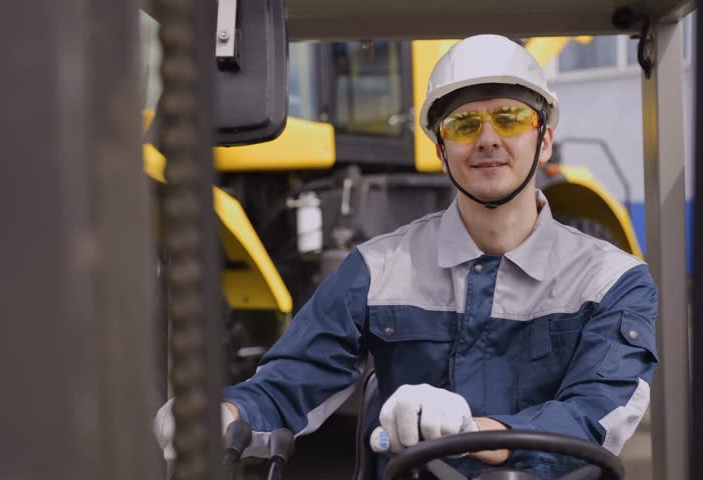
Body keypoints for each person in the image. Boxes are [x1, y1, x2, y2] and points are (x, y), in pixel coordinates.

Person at [154, 34, 658, 479]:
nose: (487, 139)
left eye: (509, 118)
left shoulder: (612, 281)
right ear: (441, 149)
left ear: (544, 139)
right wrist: (223, 414)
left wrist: (476, 431)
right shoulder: (377, 270)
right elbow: (288, 385)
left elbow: (595, 416)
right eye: (463, 125)